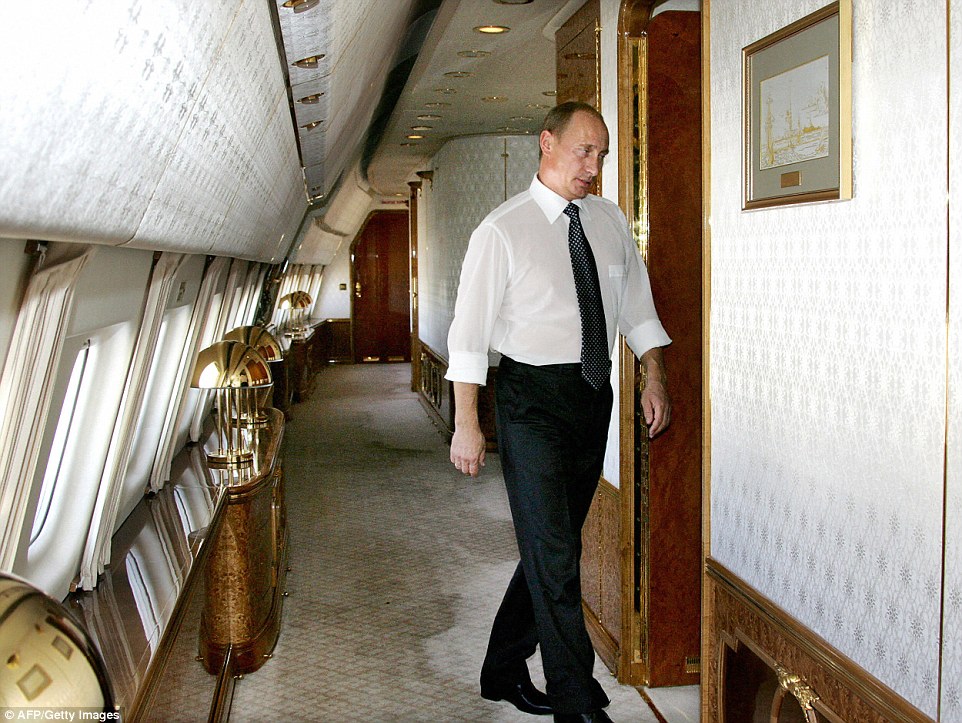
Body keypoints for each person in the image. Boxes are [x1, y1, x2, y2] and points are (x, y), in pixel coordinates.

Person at [445, 101, 671, 723]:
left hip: (592, 395)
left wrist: (655, 374)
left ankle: (500, 666)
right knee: (553, 553)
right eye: (583, 151)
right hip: (530, 402)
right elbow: (468, 336)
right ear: (546, 143)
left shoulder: (608, 221)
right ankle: (576, 699)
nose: (593, 166)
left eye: (600, 155)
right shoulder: (502, 229)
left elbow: (636, 306)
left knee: (556, 544)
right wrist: (468, 423)